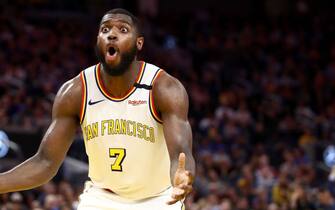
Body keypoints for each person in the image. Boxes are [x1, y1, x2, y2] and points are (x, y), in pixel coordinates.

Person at [0, 8, 195, 210]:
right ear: (98, 40)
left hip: (157, 198)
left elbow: (180, 154)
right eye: (105, 29)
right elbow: (45, 162)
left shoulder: (164, 88)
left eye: (123, 29)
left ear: (139, 43)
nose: (112, 34)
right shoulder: (75, 91)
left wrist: (182, 178)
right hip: (102, 198)